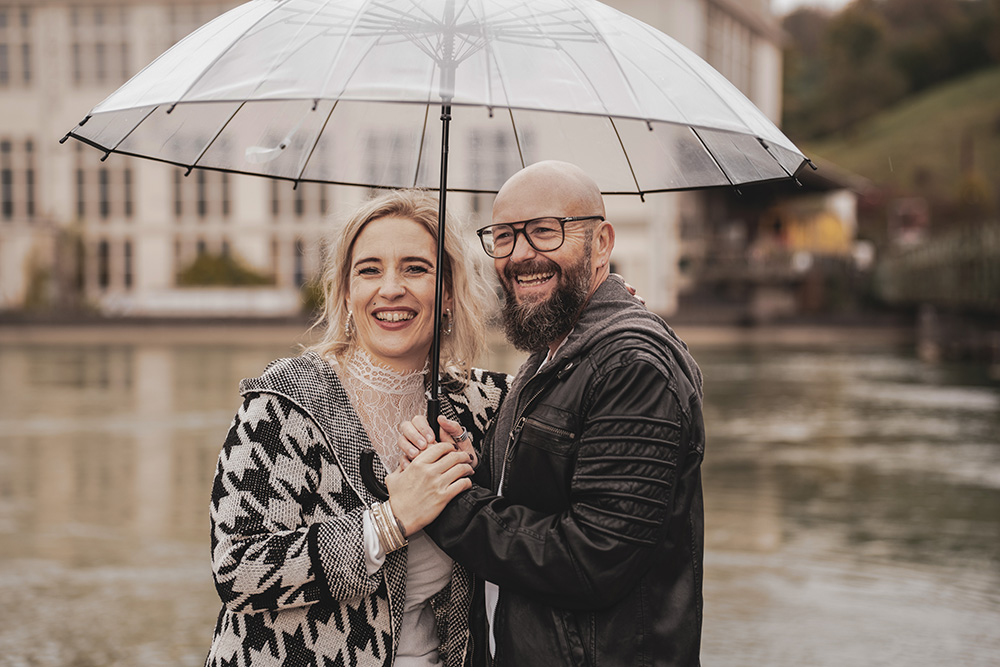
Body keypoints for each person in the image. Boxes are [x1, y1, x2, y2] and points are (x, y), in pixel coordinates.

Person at [398, 161, 706, 666]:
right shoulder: (552, 356)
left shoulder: (631, 366)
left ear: (601, 243)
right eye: (504, 237)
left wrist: (448, 507)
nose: (521, 255)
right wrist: (466, 466)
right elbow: (538, 493)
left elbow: (594, 560)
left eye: (544, 232)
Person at [205, 190, 510, 667]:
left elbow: (578, 390)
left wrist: (606, 307)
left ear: (448, 293)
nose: (391, 288)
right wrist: (391, 520)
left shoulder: (484, 403)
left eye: (415, 268)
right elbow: (238, 570)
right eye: (370, 270)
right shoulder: (283, 400)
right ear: (347, 292)